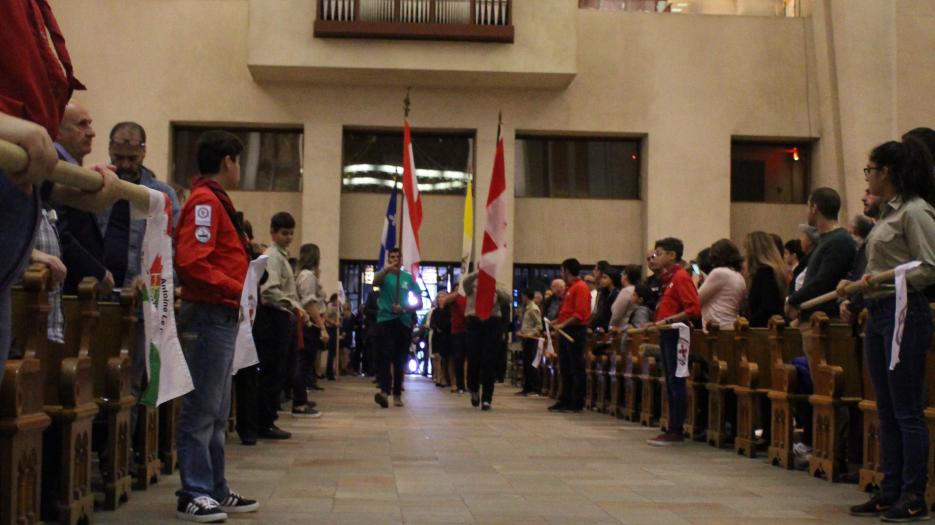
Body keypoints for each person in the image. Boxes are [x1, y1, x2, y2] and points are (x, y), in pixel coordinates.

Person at [847, 139, 935, 521]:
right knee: (885, 408)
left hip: (906, 313)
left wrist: (880, 278)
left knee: (906, 410)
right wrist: (857, 284)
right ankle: (891, 488)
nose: (867, 177)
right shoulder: (884, 216)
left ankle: (914, 494)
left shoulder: (915, 213)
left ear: (888, 172)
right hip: (881, 312)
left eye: (870, 170)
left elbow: (929, 267)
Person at [173, 130, 258, 522]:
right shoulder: (206, 202)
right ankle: (194, 489)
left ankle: (216, 487)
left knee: (219, 408)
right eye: (238, 161)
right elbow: (192, 262)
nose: (239, 169)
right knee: (202, 406)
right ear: (228, 161)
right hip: (208, 314)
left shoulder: (216, 201)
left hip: (221, 315)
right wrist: (234, 288)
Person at [255, 212, 309, 435]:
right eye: (284, 233)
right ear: (273, 232)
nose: (288, 237)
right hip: (273, 318)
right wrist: (294, 306)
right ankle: (264, 421)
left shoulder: (282, 256)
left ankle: (268, 418)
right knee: (272, 371)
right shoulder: (272, 257)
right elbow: (269, 291)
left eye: (291, 233)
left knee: (280, 372)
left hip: (282, 318)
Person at [53, 103, 115, 297]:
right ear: (57, 132)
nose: (91, 132)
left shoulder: (73, 168)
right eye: (82, 125)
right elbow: (60, 233)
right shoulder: (55, 167)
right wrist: (98, 273)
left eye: (90, 124)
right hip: (66, 286)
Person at [645, 237, 701, 446]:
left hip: (678, 335)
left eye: (659, 253)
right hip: (667, 333)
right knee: (669, 380)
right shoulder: (667, 279)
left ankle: (676, 430)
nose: (655, 257)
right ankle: (672, 427)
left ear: (672, 255)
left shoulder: (680, 277)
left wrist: (668, 320)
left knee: (676, 381)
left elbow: (693, 309)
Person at [786, 188, 857, 321]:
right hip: (815, 319)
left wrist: (793, 299)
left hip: (826, 320)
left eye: (808, 206)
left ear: (814, 208)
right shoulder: (825, 240)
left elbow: (822, 282)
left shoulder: (839, 240)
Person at [371, 248, 423, 408]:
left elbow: (420, 303)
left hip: (403, 321)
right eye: (392, 257)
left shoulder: (409, 278)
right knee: (385, 356)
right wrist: (386, 269)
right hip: (386, 320)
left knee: (400, 359)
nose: (395, 260)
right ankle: (384, 391)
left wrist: (405, 309)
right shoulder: (384, 276)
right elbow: (374, 283)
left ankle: (397, 394)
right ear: (388, 259)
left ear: (402, 260)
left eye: (397, 257)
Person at [461, 271, 511, 411]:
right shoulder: (472, 284)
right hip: (475, 323)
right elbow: (465, 283)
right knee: (473, 359)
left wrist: (493, 286)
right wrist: (478, 274)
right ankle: (474, 389)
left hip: (492, 323)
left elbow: (508, 298)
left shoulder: (498, 284)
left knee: (489, 362)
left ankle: (487, 398)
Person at [548, 258, 592, 413]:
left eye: (562, 270)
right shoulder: (570, 288)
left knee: (575, 367)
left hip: (575, 331)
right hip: (565, 330)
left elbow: (579, 314)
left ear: (566, 271)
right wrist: (556, 322)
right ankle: (564, 399)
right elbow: (566, 312)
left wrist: (563, 324)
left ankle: (576, 401)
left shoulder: (580, 287)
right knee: (565, 367)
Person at [293, 243, 327, 419]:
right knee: (304, 364)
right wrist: (321, 326)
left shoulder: (307, 275)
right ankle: (299, 403)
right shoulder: (307, 277)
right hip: (308, 325)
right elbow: (309, 303)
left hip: (309, 323)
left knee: (306, 363)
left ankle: (302, 398)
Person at [698, 239, 746, 330]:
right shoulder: (738, 275)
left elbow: (697, 300)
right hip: (730, 324)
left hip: (717, 327)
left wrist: (694, 281)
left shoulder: (719, 273)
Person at [744, 231, 788, 328]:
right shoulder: (772, 271)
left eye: (746, 249)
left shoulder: (764, 272)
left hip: (766, 330)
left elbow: (767, 308)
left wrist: (749, 325)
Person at [516, 288, 543, 396]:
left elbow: (538, 325)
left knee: (532, 363)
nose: (522, 298)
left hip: (532, 339)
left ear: (526, 296)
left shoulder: (533, 308)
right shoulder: (527, 308)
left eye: (523, 296)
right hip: (525, 338)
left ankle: (535, 388)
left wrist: (530, 334)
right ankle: (526, 387)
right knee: (526, 363)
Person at [610, 264, 641, 331]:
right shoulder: (637, 289)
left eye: (622, 274)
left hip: (622, 329)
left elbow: (617, 315)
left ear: (626, 276)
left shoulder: (626, 291)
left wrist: (611, 327)